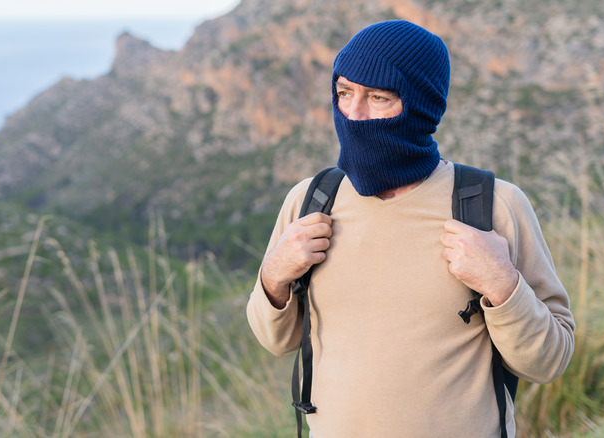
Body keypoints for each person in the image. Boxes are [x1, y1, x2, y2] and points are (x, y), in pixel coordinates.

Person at [246, 20, 575, 437]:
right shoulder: (311, 200)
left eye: (378, 97)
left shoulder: (493, 206)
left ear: (420, 106)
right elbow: (276, 341)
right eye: (344, 93)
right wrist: (274, 277)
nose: (354, 114)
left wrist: (502, 284)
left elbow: (550, 361)